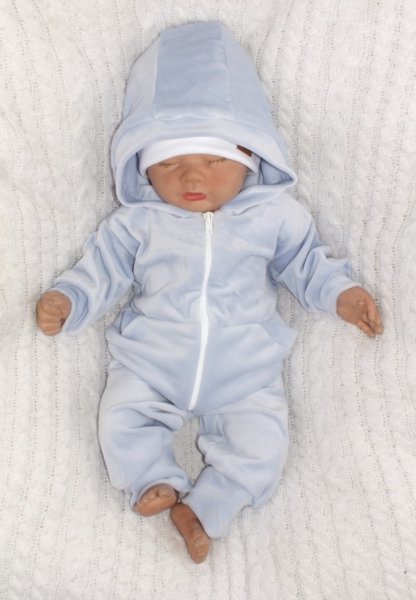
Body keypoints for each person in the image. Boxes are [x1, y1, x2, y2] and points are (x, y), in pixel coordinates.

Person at [36, 21, 383, 563]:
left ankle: (206, 509)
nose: (192, 178)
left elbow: (305, 262)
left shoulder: (275, 216)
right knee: (121, 418)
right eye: (169, 162)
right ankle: (153, 479)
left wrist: (342, 294)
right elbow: (101, 269)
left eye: (214, 161)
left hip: (246, 370)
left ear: (251, 156)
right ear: (141, 166)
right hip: (152, 361)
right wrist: (69, 299)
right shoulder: (138, 222)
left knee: (263, 444)